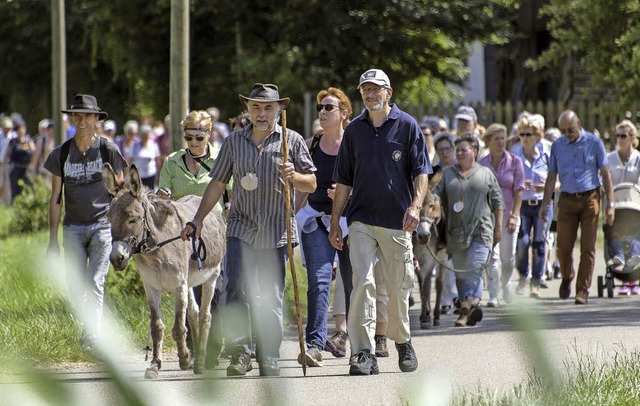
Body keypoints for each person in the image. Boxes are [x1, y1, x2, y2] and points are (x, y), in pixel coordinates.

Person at [180, 83, 316, 377]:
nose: (262, 113)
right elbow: (217, 183)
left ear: (278, 110)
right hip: (240, 227)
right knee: (235, 290)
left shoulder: (290, 141)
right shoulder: (233, 142)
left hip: (276, 229)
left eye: (268, 107)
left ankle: (269, 356)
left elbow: (312, 183)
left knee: (271, 295)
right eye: (256, 107)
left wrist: (295, 176)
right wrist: (199, 218)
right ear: (248, 110)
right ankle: (240, 354)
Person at [329, 68, 431, 375]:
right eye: (365, 90)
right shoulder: (355, 130)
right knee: (362, 282)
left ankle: (402, 342)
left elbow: (421, 172)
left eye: (376, 89)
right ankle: (363, 353)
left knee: (399, 286)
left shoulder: (407, 126)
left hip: (397, 220)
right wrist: (336, 222)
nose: (370, 94)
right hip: (360, 219)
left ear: (389, 92)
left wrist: (415, 206)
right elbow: (343, 181)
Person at [44, 94, 127, 345]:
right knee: (77, 285)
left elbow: (121, 192)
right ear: (71, 119)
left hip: (101, 225)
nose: (82, 120)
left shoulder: (107, 150)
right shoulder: (61, 153)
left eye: (87, 116)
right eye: (77, 115)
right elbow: (56, 198)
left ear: (96, 119)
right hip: (72, 228)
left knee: (94, 281)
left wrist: (121, 232)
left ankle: (93, 334)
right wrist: (52, 240)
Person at [157, 109, 232, 368]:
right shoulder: (172, 161)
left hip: (213, 231)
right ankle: (191, 346)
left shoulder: (221, 157)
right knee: (187, 295)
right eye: (189, 138)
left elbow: (230, 194)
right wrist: (163, 194)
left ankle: (213, 349)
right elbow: (162, 194)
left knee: (217, 290)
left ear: (208, 134)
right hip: (183, 234)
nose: (193, 143)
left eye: (198, 138)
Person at [294, 87, 353, 367]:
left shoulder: (354, 144)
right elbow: (303, 186)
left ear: (344, 113)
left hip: (350, 221)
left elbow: (367, 182)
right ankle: (314, 346)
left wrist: (347, 196)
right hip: (317, 219)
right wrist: (290, 215)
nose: (323, 112)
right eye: (321, 107)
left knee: (355, 283)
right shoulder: (312, 145)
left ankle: (359, 344)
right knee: (318, 282)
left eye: (329, 107)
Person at [540, 110, 615, 305]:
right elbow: (551, 176)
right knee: (563, 247)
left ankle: (582, 289)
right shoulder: (557, 146)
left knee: (588, 247)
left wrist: (610, 204)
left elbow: (605, 174)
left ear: (579, 123)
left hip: (590, 197)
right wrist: (545, 202)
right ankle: (567, 275)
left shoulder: (594, 142)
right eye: (564, 131)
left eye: (571, 130)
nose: (567, 134)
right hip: (566, 199)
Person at [431, 134, 503, 327]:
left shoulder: (486, 173)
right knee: (461, 273)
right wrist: (437, 206)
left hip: (482, 231)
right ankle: (471, 306)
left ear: (475, 152)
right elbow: (435, 193)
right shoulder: (448, 174)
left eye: (464, 150)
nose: (460, 153)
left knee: (474, 268)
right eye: (458, 150)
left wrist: (498, 229)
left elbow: (498, 202)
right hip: (455, 233)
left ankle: (465, 309)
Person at [478, 124, 524, 306]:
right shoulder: (481, 164)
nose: (500, 142)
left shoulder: (515, 162)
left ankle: (506, 284)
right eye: (496, 138)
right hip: (488, 216)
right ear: (488, 141)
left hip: (509, 214)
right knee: (492, 256)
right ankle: (494, 294)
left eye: (503, 138)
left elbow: (519, 191)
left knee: (508, 256)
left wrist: (514, 215)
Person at [511, 115, 553, 298]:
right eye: (522, 134)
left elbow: (557, 181)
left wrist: (544, 187)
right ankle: (523, 276)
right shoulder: (515, 152)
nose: (525, 137)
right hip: (522, 204)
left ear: (537, 135)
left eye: (529, 134)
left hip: (543, 203)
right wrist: (520, 184)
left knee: (539, 243)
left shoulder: (547, 152)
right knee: (521, 243)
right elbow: (508, 178)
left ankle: (536, 281)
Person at [603, 120, 640, 295]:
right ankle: (617, 258)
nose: (619, 139)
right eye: (617, 136)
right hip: (615, 203)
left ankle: (634, 263)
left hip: (634, 202)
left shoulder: (638, 158)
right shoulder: (609, 159)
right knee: (615, 229)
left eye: (623, 136)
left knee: (634, 229)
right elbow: (605, 181)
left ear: (632, 137)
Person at [431, 131, 459, 314]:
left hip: (460, 220)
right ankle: (448, 300)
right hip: (440, 222)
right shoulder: (433, 171)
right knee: (445, 262)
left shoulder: (461, 168)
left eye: (447, 148)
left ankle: (462, 297)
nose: (444, 152)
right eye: (440, 149)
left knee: (459, 262)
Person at [5, 118, 36, 201]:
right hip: (15, 167)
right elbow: (7, 154)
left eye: (22, 129)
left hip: (26, 168)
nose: (21, 131)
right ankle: (14, 205)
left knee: (26, 188)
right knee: (15, 188)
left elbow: (34, 152)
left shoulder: (28, 141)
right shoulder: (13, 141)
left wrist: (33, 165)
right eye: (19, 130)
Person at [131, 124, 161, 190]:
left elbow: (157, 160)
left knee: (150, 194)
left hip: (150, 175)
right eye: (144, 135)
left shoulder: (153, 145)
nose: (145, 137)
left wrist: (159, 174)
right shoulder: (135, 145)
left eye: (147, 136)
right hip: (138, 176)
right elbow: (129, 160)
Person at [0, 116, 16, 205]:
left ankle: (5, 203)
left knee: (7, 184)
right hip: (0, 162)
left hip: (8, 163)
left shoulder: (13, 136)